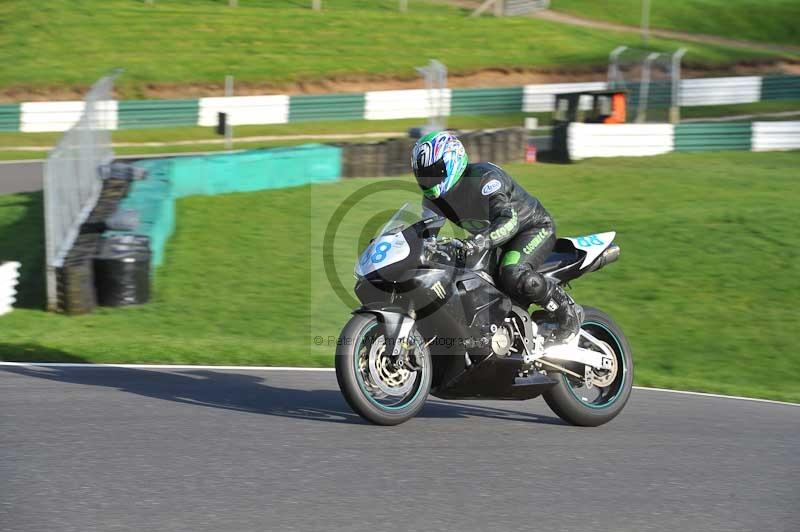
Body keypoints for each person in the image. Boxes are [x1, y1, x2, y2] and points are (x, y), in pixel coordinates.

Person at [411, 130, 583, 344]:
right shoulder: (433, 201)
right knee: (462, 277)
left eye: (435, 172)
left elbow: (509, 220)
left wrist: (480, 241)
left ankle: (567, 313)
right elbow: (426, 234)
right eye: (424, 175)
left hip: (531, 229)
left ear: (452, 160)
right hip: (491, 240)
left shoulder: (484, 179)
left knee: (511, 272)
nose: (429, 180)